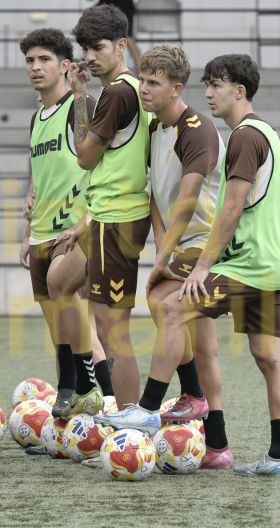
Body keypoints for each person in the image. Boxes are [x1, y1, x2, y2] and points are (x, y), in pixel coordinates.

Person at [103, 54, 280, 477]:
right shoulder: (264, 132)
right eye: (207, 85)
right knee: (269, 357)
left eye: (217, 86)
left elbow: (228, 211)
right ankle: (279, 457)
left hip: (246, 264)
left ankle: (150, 409)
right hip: (273, 264)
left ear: (239, 91)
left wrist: (200, 267)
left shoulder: (244, 137)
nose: (208, 93)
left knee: (174, 306)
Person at [98, 44, 233, 468]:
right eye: (142, 79)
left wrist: (163, 259)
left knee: (162, 304)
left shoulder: (199, 129)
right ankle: (217, 446)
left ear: (176, 88)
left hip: (208, 246)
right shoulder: (155, 129)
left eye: (153, 83)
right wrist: (161, 247)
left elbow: (189, 198)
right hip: (178, 245)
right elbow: (156, 196)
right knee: (204, 346)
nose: (144, 88)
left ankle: (153, 406)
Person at [16, 28, 114, 421]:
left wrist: (88, 221)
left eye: (44, 60)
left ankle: (105, 403)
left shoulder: (83, 105)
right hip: (40, 233)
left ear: (65, 66)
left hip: (74, 232)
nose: (36, 67)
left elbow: (97, 164)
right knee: (60, 327)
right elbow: (40, 177)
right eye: (30, 60)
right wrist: (26, 232)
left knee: (78, 325)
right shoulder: (36, 117)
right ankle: (73, 414)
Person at [60, 4, 152, 408]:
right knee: (78, 298)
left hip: (118, 217)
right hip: (106, 215)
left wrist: (80, 97)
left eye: (97, 48)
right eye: (85, 48)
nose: (90, 57)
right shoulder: (127, 88)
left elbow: (84, 156)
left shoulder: (117, 92)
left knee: (113, 328)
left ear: (121, 45)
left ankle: (133, 415)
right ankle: (99, 396)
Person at [95, 0, 140, 70]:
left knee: (128, 39)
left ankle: (142, 68)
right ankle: (142, 68)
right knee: (128, 39)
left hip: (119, 5)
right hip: (117, 6)